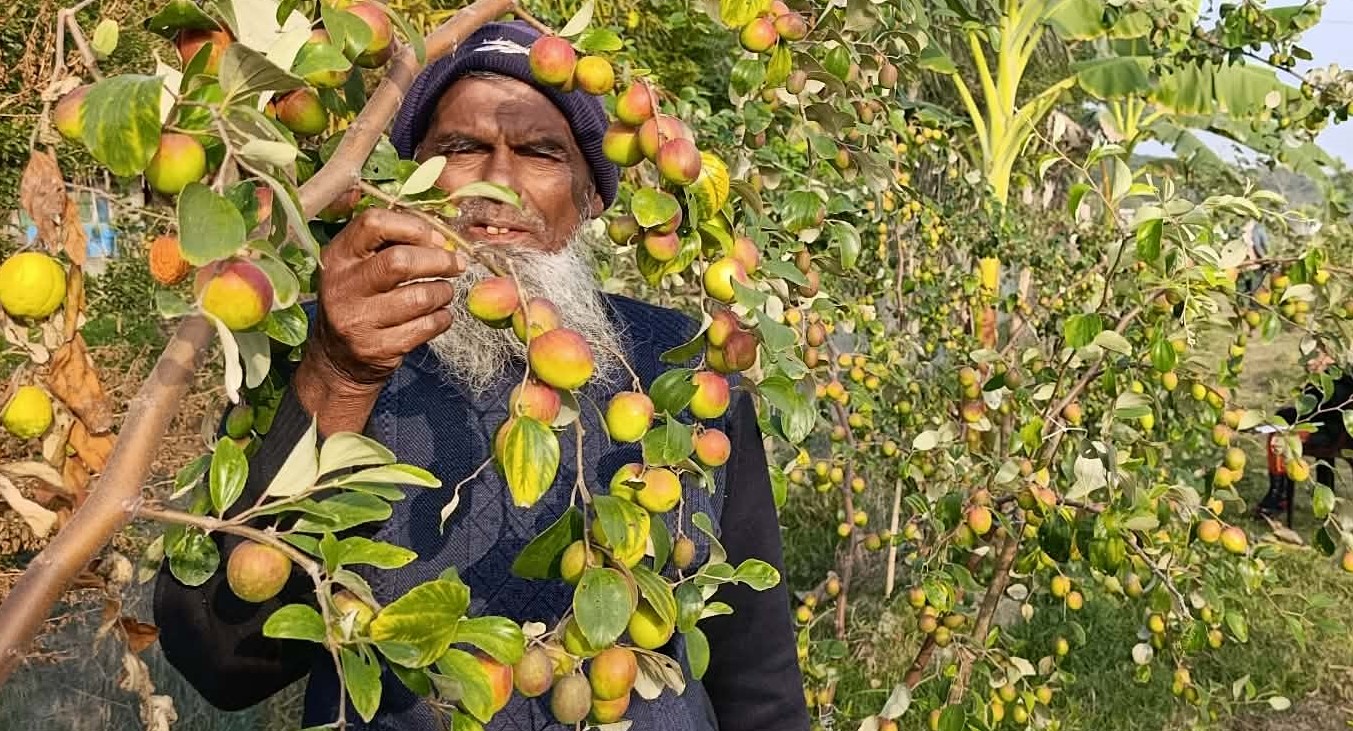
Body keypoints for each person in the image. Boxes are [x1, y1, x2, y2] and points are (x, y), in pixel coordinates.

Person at [153, 21, 809, 731]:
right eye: (461, 149)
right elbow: (220, 656)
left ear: (591, 195)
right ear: (413, 184)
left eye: (539, 152)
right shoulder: (329, 340)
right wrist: (338, 375)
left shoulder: (679, 363)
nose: (497, 182)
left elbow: (756, 671)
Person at [1254, 351, 1353, 525]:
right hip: (1329, 429)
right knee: (1282, 419)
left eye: (1314, 357)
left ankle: (1277, 495)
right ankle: (1279, 491)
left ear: (1329, 357)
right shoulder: (1329, 377)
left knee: (1280, 437)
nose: (1309, 363)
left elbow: (1322, 413)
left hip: (1333, 434)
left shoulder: (1335, 380)